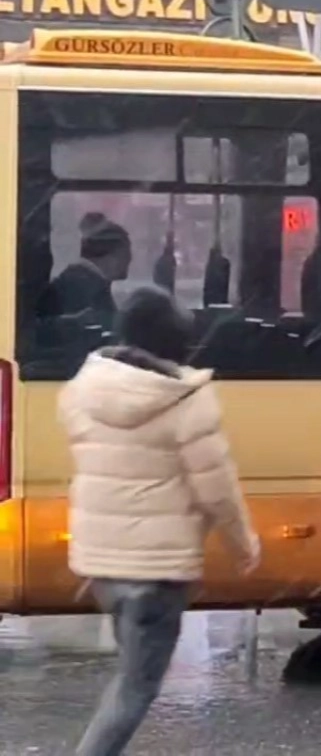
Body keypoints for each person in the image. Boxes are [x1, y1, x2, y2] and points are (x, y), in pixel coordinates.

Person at [59, 285, 260, 756]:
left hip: (102, 565)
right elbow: (217, 489)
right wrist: (244, 543)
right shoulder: (185, 401)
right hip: (156, 572)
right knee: (134, 689)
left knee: (130, 676)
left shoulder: (83, 390)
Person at [42, 212, 133, 321]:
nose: (130, 259)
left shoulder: (76, 281)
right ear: (110, 257)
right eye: (126, 254)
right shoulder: (88, 290)